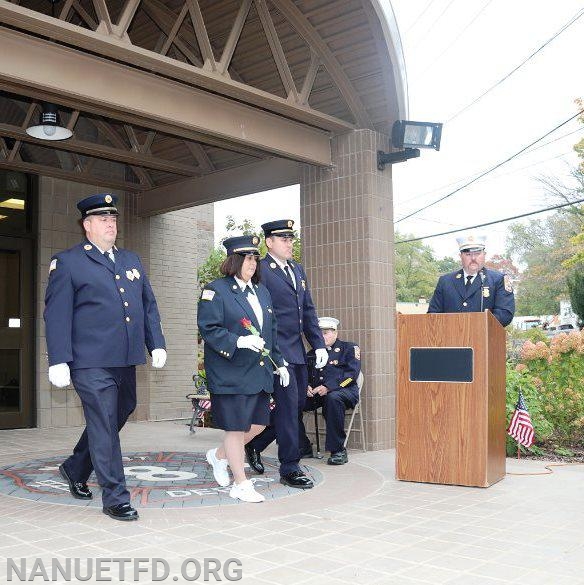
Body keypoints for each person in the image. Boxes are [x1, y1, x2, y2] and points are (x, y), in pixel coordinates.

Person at [44, 193, 166, 521]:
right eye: (102, 219)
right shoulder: (68, 262)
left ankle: (75, 467)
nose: (110, 223)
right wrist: (57, 358)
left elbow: (147, 304)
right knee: (104, 425)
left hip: (125, 359)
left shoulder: (131, 260)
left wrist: (157, 343)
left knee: (117, 414)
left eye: (113, 218)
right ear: (87, 226)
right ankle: (115, 497)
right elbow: (56, 314)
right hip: (89, 361)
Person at [197, 235, 289, 503]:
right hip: (230, 371)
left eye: (255, 258)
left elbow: (271, 331)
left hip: (258, 372)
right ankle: (241, 483)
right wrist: (238, 340)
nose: (252, 264)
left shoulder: (262, 291)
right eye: (248, 258)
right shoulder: (215, 290)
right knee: (235, 429)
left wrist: (279, 363)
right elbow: (209, 328)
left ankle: (219, 456)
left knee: (259, 425)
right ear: (234, 260)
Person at [245, 219, 327, 489]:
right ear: (269, 242)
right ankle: (289, 468)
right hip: (277, 353)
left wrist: (318, 345)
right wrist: (270, 353)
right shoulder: (262, 270)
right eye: (284, 239)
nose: (290, 243)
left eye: (291, 239)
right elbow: (257, 313)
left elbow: (308, 311)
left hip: (298, 352)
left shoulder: (297, 269)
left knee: (294, 407)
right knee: (290, 409)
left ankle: (255, 444)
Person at [299, 317, 361, 465]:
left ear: (335, 332)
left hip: (344, 391)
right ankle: (303, 446)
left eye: (326, 333)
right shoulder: (312, 353)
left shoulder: (349, 348)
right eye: (319, 333)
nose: (322, 336)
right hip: (317, 393)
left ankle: (338, 450)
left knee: (333, 398)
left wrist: (329, 387)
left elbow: (351, 375)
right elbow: (305, 374)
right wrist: (305, 385)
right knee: (292, 402)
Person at [428, 234, 515, 326]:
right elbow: (433, 315)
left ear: (484, 255)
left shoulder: (498, 280)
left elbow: (505, 314)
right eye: (468, 254)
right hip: (451, 338)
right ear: (460, 256)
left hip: (484, 338)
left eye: (477, 253)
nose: (473, 258)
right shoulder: (445, 281)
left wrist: (475, 326)